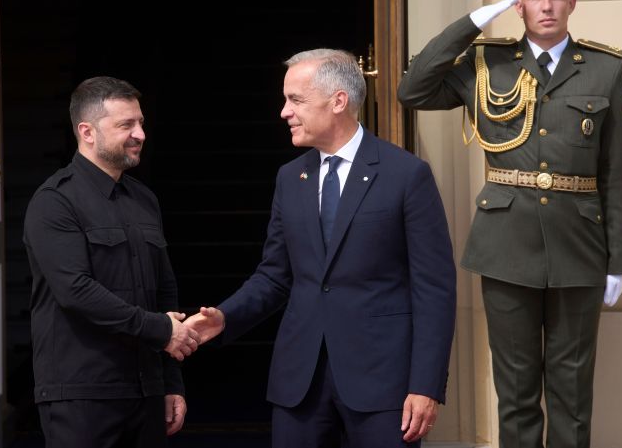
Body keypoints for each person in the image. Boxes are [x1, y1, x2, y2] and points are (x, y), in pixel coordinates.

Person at [397, 0, 622, 448]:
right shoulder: (486, 63)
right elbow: (412, 90)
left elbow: (616, 170)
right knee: (517, 391)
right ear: (518, 2)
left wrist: (619, 259)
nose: (545, 5)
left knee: (572, 394)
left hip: (580, 248)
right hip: (506, 247)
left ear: (572, 0)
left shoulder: (605, 68)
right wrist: (470, 23)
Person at [186, 49, 457, 448]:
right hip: (300, 384)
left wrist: (426, 385)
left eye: (295, 100)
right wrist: (225, 317)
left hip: (383, 386)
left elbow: (434, 289)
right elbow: (275, 276)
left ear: (338, 102)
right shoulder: (289, 178)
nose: (284, 112)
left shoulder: (406, 175)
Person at [23, 76, 201, 447]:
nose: (140, 134)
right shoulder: (54, 201)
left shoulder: (144, 199)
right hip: (81, 392)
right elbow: (76, 290)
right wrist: (160, 330)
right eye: (126, 125)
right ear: (87, 132)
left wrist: (170, 383)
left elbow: (164, 293)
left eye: (140, 123)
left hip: (146, 390)